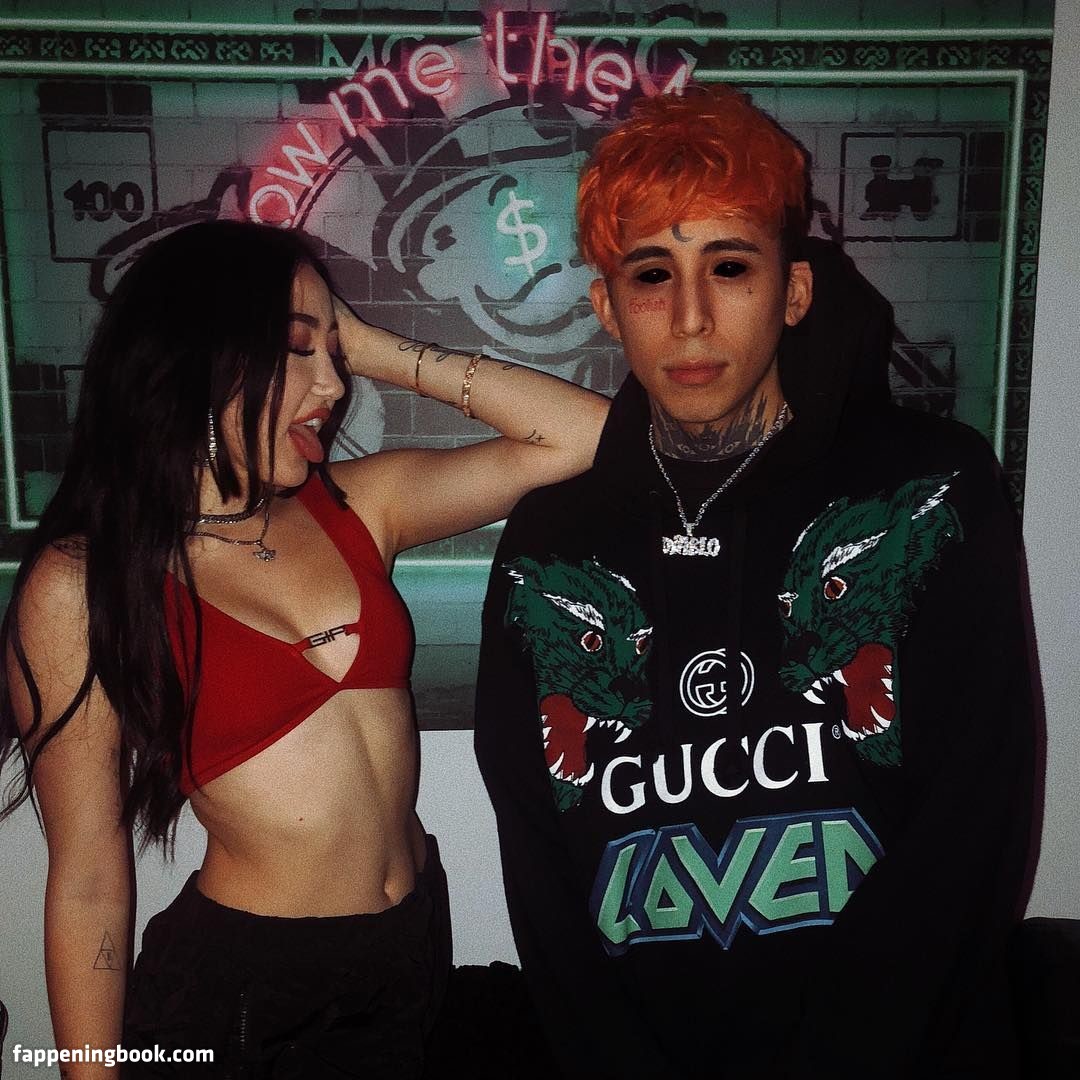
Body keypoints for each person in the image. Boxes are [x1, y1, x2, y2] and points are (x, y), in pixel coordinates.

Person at [474, 85, 1035, 1079]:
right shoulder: (549, 541)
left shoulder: (932, 486)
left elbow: (973, 820)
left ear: (795, 291)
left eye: (729, 267)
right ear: (607, 306)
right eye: (652, 274)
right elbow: (539, 858)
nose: (690, 318)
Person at [0, 220, 608, 1078]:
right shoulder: (84, 582)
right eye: (296, 348)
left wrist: (374, 345)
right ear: (197, 356)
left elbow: (587, 437)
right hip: (252, 994)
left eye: (335, 353)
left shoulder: (358, 506)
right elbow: (90, 874)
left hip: (411, 950)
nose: (333, 384)